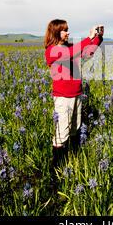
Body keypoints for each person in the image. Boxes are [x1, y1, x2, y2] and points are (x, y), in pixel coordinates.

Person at [44, 19, 104, 169]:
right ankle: (56, 167)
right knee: (61, 132)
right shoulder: (52, 50)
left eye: (67, 29)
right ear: (55, 32)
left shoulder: (69, 47)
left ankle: (71, 159)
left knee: (74, 129)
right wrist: (89, 38)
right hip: (63, 97)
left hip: (76, 94)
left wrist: (99, 37)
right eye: (64, 30)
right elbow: (70, 53)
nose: (68, 32)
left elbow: (88, 51)